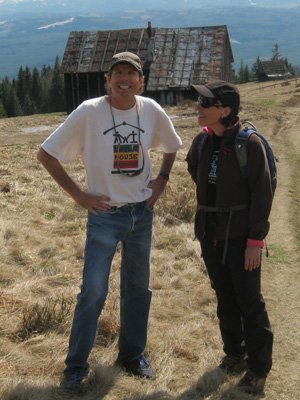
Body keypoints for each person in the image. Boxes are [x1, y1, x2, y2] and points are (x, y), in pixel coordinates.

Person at [37, 51, 182, 392]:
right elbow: (46, 154)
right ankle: (75, 368)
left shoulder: (150, 110)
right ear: (107, 80)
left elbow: (172, 145)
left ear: (141, 81)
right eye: (117, 73)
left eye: (131, 75)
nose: (124, 80)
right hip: (105, 217)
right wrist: (79, 196)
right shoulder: (89, 112)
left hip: (141, 215)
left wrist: (162, 178)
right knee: (94, 291)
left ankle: (131, 356)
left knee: (138, 289)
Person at [186, 81, 273, 397]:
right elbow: (195, 172)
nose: (199, 107)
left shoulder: (249, 145)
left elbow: (262, 195)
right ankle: (234, 354)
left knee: (250, 302)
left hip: (240, 238)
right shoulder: (202, 142)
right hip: (211, 236)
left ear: (225, 110)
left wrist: (255, 241)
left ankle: (258, 370)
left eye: (205, 103)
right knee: (224, 295)